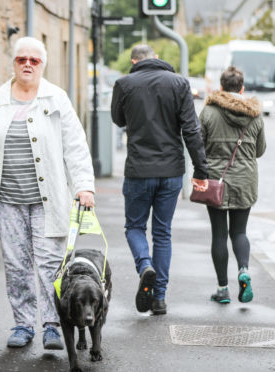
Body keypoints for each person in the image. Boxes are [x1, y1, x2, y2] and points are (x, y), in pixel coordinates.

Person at [0, 37, 95, 350]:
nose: (27, 65)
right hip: (8, 201)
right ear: (13, 63)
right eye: (22, 59)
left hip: (46, 201)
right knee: (16, 265)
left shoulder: (56, 98)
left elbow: (75, 145)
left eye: (34, 61)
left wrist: (84, 186)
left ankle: (52, 324)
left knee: (50, 266)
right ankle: (23, 324)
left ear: (42, 65)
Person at [110, 44, 208, 315]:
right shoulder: (178, 83)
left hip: (139, 170)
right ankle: (160, 298)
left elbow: (118, 120)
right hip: (170, 172)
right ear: (156, 58)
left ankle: (144, 266)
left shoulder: (124, 83)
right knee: (163, 233)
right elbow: (191, 128)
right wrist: (201, 170)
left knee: (134, 227)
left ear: (134, 60)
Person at [198, 66, 266, 304]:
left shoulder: (208, 112)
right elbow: (259, 150)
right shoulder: (255, 114)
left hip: (217, 179)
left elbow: (199, 146)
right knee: (239, 231)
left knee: (219, 234)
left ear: (221, 87)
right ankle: (244, 270)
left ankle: (223, 289)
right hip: (245, 180)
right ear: (242, 88)